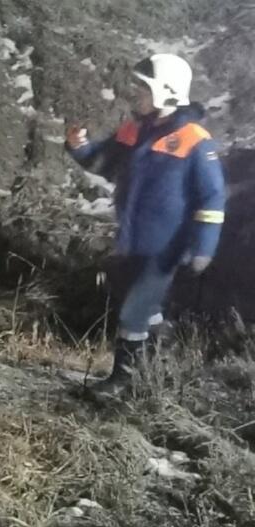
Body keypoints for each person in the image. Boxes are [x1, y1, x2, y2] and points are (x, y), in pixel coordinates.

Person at [65, 53, 226, 396]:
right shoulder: (133, 130)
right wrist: (79, 147)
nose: (135, 92)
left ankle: (124, 381)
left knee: (134, 308)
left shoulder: (194, 139)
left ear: (166, 91)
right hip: (131, 240)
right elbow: (103, 162)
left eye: (143, 86)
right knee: (140, 301)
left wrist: (203, 247)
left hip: (166, 247)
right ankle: (158, 358)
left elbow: (212, 197)